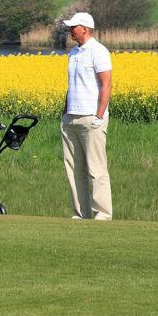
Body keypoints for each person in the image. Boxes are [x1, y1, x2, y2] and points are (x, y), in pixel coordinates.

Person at [60, 12, 113, 220]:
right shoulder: (73, 53)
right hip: (71, 118)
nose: (70, 30)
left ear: (86, 28)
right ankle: (81, 212)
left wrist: (99, 116)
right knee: (74, 169)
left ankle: (103, 213)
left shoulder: (98, 51)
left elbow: (106, 84)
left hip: (91, 117)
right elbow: (70, 86)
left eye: (74, 27)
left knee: (96, 168)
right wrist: (65, 113)